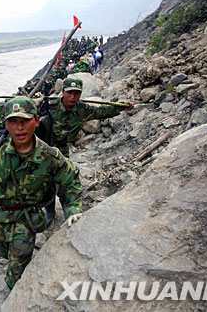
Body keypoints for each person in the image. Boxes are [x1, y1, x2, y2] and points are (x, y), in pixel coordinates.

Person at [0, 96, 83, 289]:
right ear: (6, 123)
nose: (19, 128)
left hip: (25, 217)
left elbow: (71, 182)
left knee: (17, 265)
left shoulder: (49, 156)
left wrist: (73, 209)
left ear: (36, 121)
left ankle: (15, 292)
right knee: (1, 250)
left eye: (25, 121)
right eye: (13, 122)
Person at [36, 77, 134, 225]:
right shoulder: (50, 105)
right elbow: (27, 115)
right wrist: (35, 102)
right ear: (63, 92)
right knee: (45, 180)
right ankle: (49, 210)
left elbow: (102, 112)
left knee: (65, 178)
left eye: (77, 93)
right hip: (44, 147)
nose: (73, 97)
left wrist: (121, 106)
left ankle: (68, 207)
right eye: (70, 93)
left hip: (62, 148)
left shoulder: (82, 109)